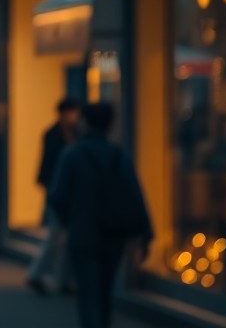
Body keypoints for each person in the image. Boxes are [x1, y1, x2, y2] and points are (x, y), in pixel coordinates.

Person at [48, 102, 152, 328]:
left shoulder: (72, 155)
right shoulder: (119, 156)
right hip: (113, 235)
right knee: (105, 291)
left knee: (87, 293)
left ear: (84, 123)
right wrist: (145, 233)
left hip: (82, 234)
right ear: (110, 124)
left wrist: (69, 222)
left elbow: (57, 196)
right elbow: (135, 196)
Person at [27, 97, 80, 296]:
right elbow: (48, 163)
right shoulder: (54, 134)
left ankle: (64, 280)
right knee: (56, 236)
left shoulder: (76, 133)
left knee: (65, 238)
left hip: (68, 192)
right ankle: (37, 275)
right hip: (58, 192)